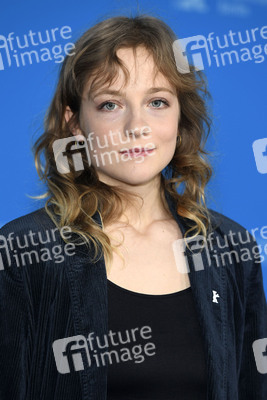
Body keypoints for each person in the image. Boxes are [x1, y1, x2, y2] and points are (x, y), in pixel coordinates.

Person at [0, 14, 266, 400]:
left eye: (157, 102)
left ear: (181, 117)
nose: (136, 125)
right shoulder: (23, 253)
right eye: (110, 104)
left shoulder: (231, 248)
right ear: (75, 123)